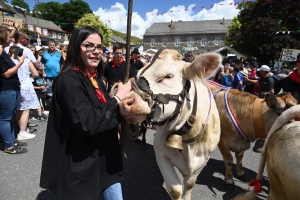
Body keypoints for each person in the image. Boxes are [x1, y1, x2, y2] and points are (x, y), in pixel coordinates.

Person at [40, 26, 134, 200]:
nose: (96, 51)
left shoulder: (94, 79)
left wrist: (127, 110)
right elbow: (88, 122)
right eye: (88, 46)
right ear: (76, 48)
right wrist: (118, 98)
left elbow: (106, 112)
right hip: (81, 165)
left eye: (99, 47)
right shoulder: (67, 80)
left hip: (106, 161)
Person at [0, 26, 27, 154]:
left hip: (13, 88)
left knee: (9, 117)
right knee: (5, 118)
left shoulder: (3, 51)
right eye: (9, 37)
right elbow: (5, 74)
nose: (11, 39)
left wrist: (14, 30)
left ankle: (11, 140)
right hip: (6, 89)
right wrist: (20, 63)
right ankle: (9, 146)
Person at [9, 46, 40, 140]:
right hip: (26, 86)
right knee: (25, 110)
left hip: (14, 86)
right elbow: (36, 74)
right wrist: (29, 75)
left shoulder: (8, 61)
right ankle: (22, 132)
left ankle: (20, 129)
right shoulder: (26, 61)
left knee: (18, 109)